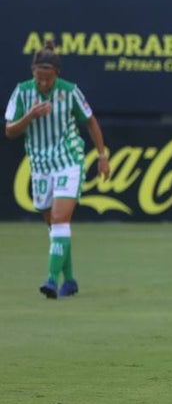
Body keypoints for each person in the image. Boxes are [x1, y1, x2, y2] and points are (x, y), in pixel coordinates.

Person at [5, 39, 110, 299]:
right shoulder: (22, 92)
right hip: (40, 165)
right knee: (55, 227)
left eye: (48, 79)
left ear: (57, 74)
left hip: (68, 160)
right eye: (39, 78)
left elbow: (91, 121)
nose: (43, 84)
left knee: (60, 219)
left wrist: (101, 155)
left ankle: (51, 280)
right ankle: (70, 280)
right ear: (33, 72)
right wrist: (29, 116)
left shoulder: (69, 91)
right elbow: (9, 131)